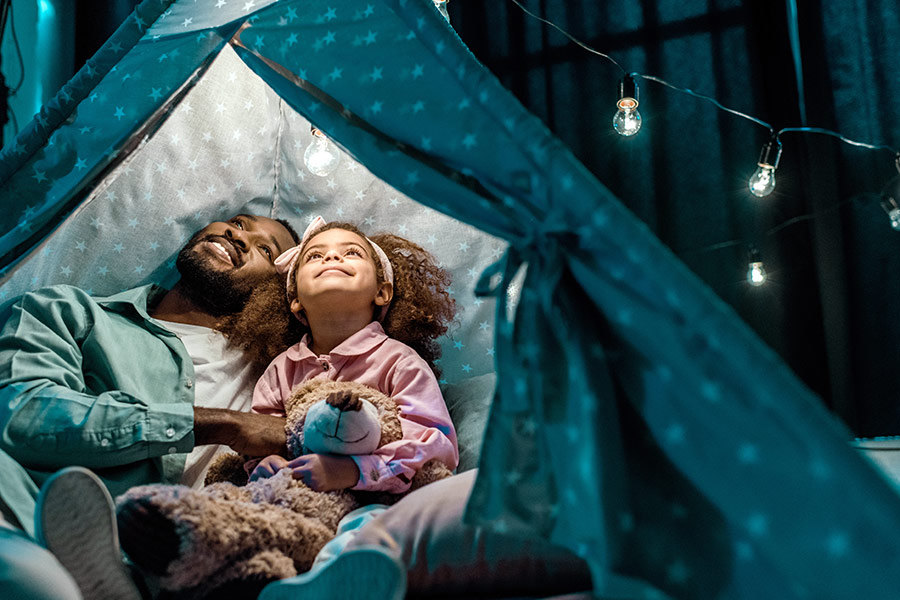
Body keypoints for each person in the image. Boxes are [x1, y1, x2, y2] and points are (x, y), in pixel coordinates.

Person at [115, 216, 460, 600]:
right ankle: (149, 566)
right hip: (294, 497)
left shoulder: (400, 361)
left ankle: (330, 583)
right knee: (238, 515)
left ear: (383, 291)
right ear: (295, 298)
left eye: (351, 253)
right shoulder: (282, 368)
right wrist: (263, 465)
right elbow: (262, 434)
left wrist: (353, 469)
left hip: (375, 498)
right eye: (315, 255)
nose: (332, 258)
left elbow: (435, 442)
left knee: (372, 531)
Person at [0, 213, 301, 599]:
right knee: (37, 581)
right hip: (23, 516)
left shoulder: (281, 375)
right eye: (238, 223)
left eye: (265, 249)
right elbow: (23, 414)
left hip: (151, 577)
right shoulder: (68, 310)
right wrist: (224, 425)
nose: (239, 237)